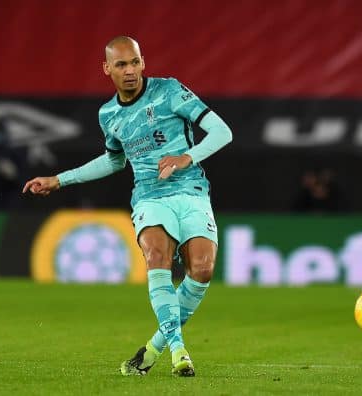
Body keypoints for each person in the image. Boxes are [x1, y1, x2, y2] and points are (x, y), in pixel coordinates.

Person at [22, 36, 232, 377]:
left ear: (143, 62)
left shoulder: (170, 91)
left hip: (191, 190)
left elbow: (222, 132)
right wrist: (59, 179)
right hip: (149, 197)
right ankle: (179, 352)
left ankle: (151, 350)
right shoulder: (108, 115)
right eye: (121, 65)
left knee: (203, 270)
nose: (130, 70)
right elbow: (114, 161)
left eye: (134, 62)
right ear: (107, 69)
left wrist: (185, 157)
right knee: (157, 258)